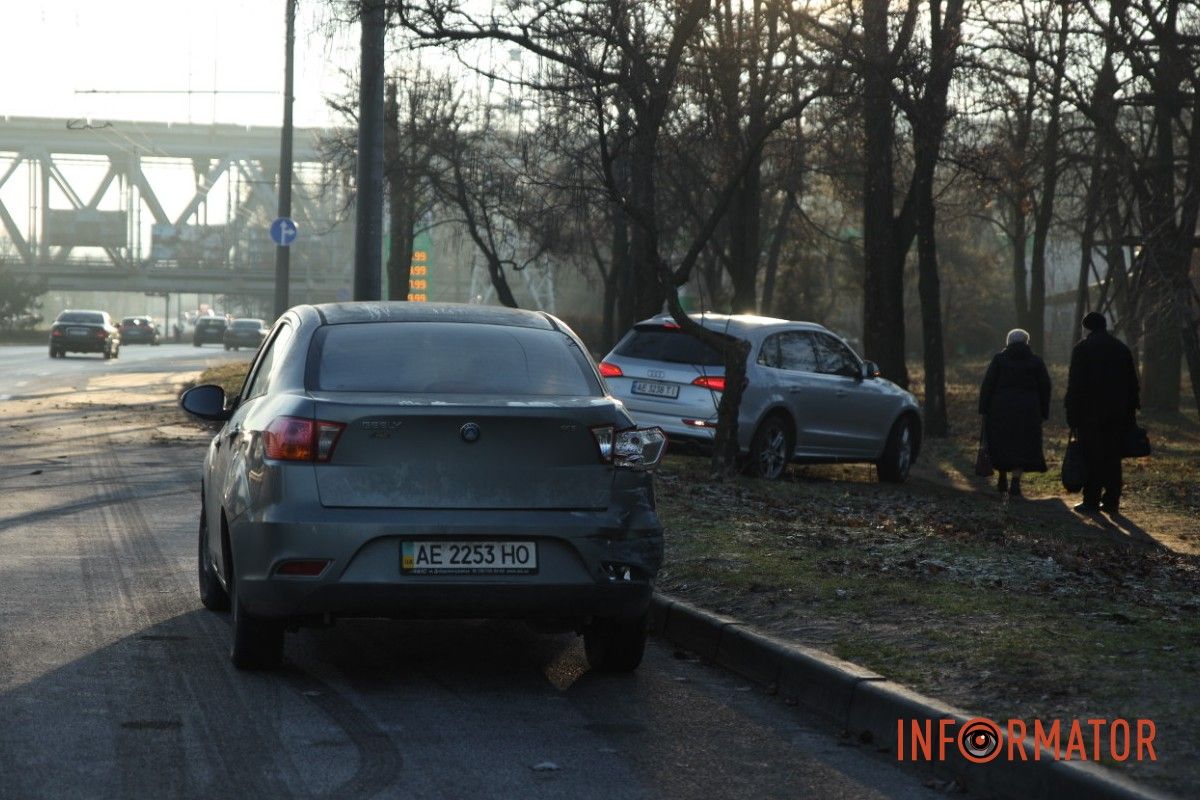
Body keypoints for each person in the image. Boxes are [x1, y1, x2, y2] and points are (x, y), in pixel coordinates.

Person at [1064, 312, 1140, 514]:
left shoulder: (1082, 349)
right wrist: (1131, 412)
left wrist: (1072, 414)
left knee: (1091, 456)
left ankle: (1091, 499)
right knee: (1113, 457)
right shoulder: (1121, 348)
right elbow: (1133, 384)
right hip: (1118, 413)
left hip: (1089, 413)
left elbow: (1076, 385)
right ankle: (1112, 501)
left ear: (1086, 328)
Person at [979, 328, 1052, 498]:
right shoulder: (1035, 362)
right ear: (1027, 342)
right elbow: (1045, 387)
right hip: (1028, 410)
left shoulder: (999, 360)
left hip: (1000, 408)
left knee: (1002, 443)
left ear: (1008, 342)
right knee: (1022, 446)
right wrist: (1043, 411)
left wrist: (984, 409)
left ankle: (1002, 477)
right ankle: (1016, 483)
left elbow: (988, 384)